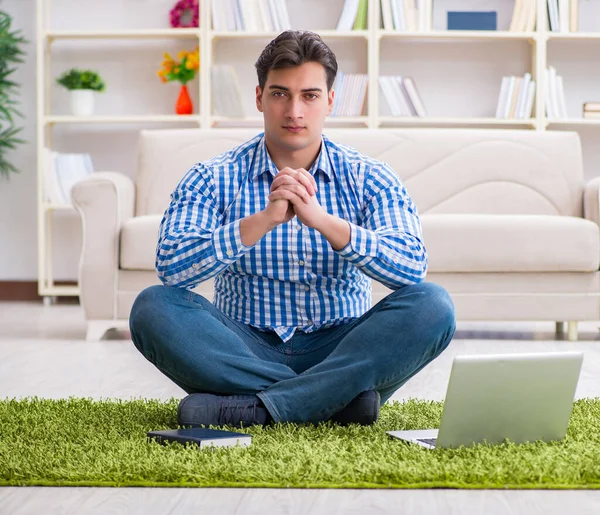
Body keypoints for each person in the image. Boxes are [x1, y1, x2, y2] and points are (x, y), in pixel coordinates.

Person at [129, 30, 455, 428]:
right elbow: (172, 268)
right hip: (243, 348)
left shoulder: (371, 177)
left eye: (310, 96)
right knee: (153, 307)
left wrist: (323, 221)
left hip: (341, 348)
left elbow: (410, 270)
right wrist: (260, 221)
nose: (294, 111)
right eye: (280, 93)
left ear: (331, 101)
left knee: (433, 305)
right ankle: (336, 402)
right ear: (259, 98)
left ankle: (257, 408)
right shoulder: (211, 176)